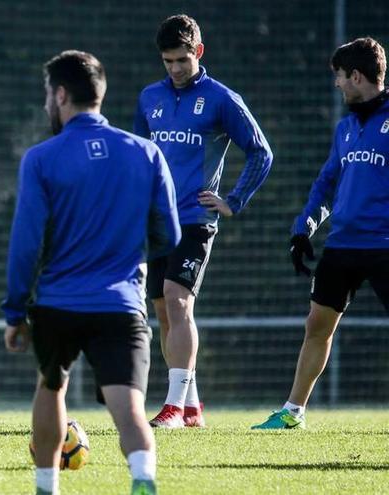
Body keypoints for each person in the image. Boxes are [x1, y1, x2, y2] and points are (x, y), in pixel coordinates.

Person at [4, 50, 181, 495]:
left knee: (51, 387)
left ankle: (47, 486)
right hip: (121, 302)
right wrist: (130, 255)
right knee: (129, 408)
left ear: (61, 94)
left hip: (58, 302)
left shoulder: (41, 158)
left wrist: (14, 311)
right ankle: (142, 478)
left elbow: (26, 244)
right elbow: (170, 234)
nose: (48, 102)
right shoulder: (146, 152)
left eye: (49, 93)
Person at [134, 14, 273, 428]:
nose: (175, 69)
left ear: (199, 52)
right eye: (167, 61)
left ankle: (173, 407)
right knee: (162, 309)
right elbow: (142, 156)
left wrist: (233, 199)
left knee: (178, 300)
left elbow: (260, 151)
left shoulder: (221, 99)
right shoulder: (149, 98)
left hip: (196, 219)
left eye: (181, 59)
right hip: (157, 221)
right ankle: (191, 406)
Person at [253, 37, 389, 430]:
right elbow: (327, 184)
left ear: (358, 76)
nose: (337, 85)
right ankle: (293, 412)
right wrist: (303, 230)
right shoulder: (346, 128)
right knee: (317, 325)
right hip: (342, 245)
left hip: (384, 246)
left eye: (341, 77)